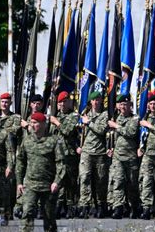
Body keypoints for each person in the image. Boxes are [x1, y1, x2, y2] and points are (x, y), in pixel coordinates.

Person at [15, 111, 67, 232]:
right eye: (31, 122)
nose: (33, 125)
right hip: (31, 184)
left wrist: (57, 181)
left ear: (44, 124)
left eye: (36, 123)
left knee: (48, 214)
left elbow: (61, 163)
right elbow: (20, 162)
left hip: (48, 185)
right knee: (28, 211)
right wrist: (19, 182)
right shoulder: (26, 141)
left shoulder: (54, 141)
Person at [108, 93, 141, 219]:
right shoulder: (116, 118)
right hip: (118, 156)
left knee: (132, 183)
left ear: (130, 106)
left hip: (131, 156)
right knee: (118, 182)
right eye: (121, 104)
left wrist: (116, 126)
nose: (123, 107)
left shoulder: (134, 118)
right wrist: (111, 148)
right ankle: (118, 208)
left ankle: (134, 207)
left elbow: (130, 132)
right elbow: (112, 136)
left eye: (125, 104)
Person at [78, 90, 110, 218]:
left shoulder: (104, 115)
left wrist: (89, 122)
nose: (96, 102)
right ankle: (84, 205)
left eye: (98, 100)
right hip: (87, 151)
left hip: (100, 152)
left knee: (100, 180)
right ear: (90, 102)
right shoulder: (85, 114)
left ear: (101, 101)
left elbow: (101, 130)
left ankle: (101, 205)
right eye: (93, 100)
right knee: (84, 178)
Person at [50, 91, 80, 217]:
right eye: (60, 102)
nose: (62, 104)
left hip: (69, 153)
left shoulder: (73, 116)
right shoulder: (56, 116)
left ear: (69, 102)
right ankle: (59, 206)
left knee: (70, 181)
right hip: (57, 154)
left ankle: (71, 207)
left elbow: (67, 130)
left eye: (64, 101)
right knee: (59, 180)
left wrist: (56, 122)